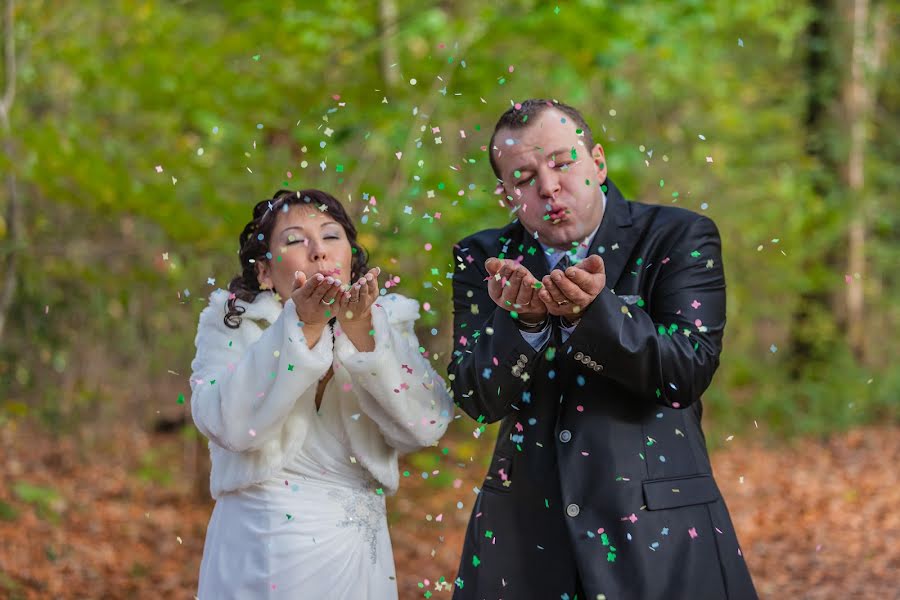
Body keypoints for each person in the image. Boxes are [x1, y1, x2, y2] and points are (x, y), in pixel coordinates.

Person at [449, 100, 758, 599]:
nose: (547, 187)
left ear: (598, 161)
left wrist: (594, 317)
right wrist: (524, 324)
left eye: (562, 162)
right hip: (525, 538)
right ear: (506, 194)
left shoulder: (678, 236)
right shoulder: (483, 258)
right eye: (524, 177)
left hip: (659, 532)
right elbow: (474, 397)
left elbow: (686, 371)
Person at [190, 188, 453, 599]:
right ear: (263, 271)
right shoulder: (231, 324)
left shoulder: (388, 321)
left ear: (350, 255)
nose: (318, 251)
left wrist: (364, 334)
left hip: (354, 549)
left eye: (331, 236)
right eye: (295, 240)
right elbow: (230, 426)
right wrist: (304, 327)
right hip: (260, 544)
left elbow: (425, 427)